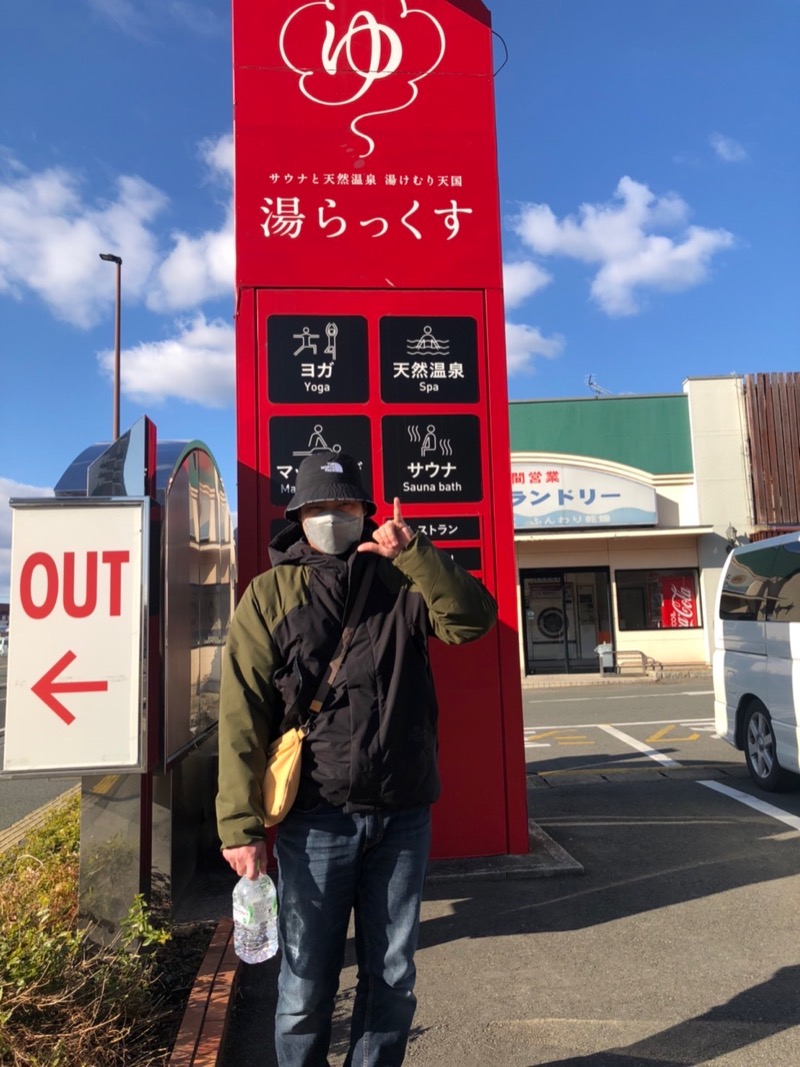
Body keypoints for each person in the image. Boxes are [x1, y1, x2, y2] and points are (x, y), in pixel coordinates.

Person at [216, 451, 497, 1067]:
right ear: (299, 516)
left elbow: (473, 621)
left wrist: (415, 551)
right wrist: (239, 826)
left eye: (345, 506)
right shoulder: (270, 594)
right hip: (314, 818)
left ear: (366, 512)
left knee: (392, 979)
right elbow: (241, 715)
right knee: (304, 986)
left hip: (402, 812)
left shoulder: (403, 581)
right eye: (320, 508)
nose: (333, 518)